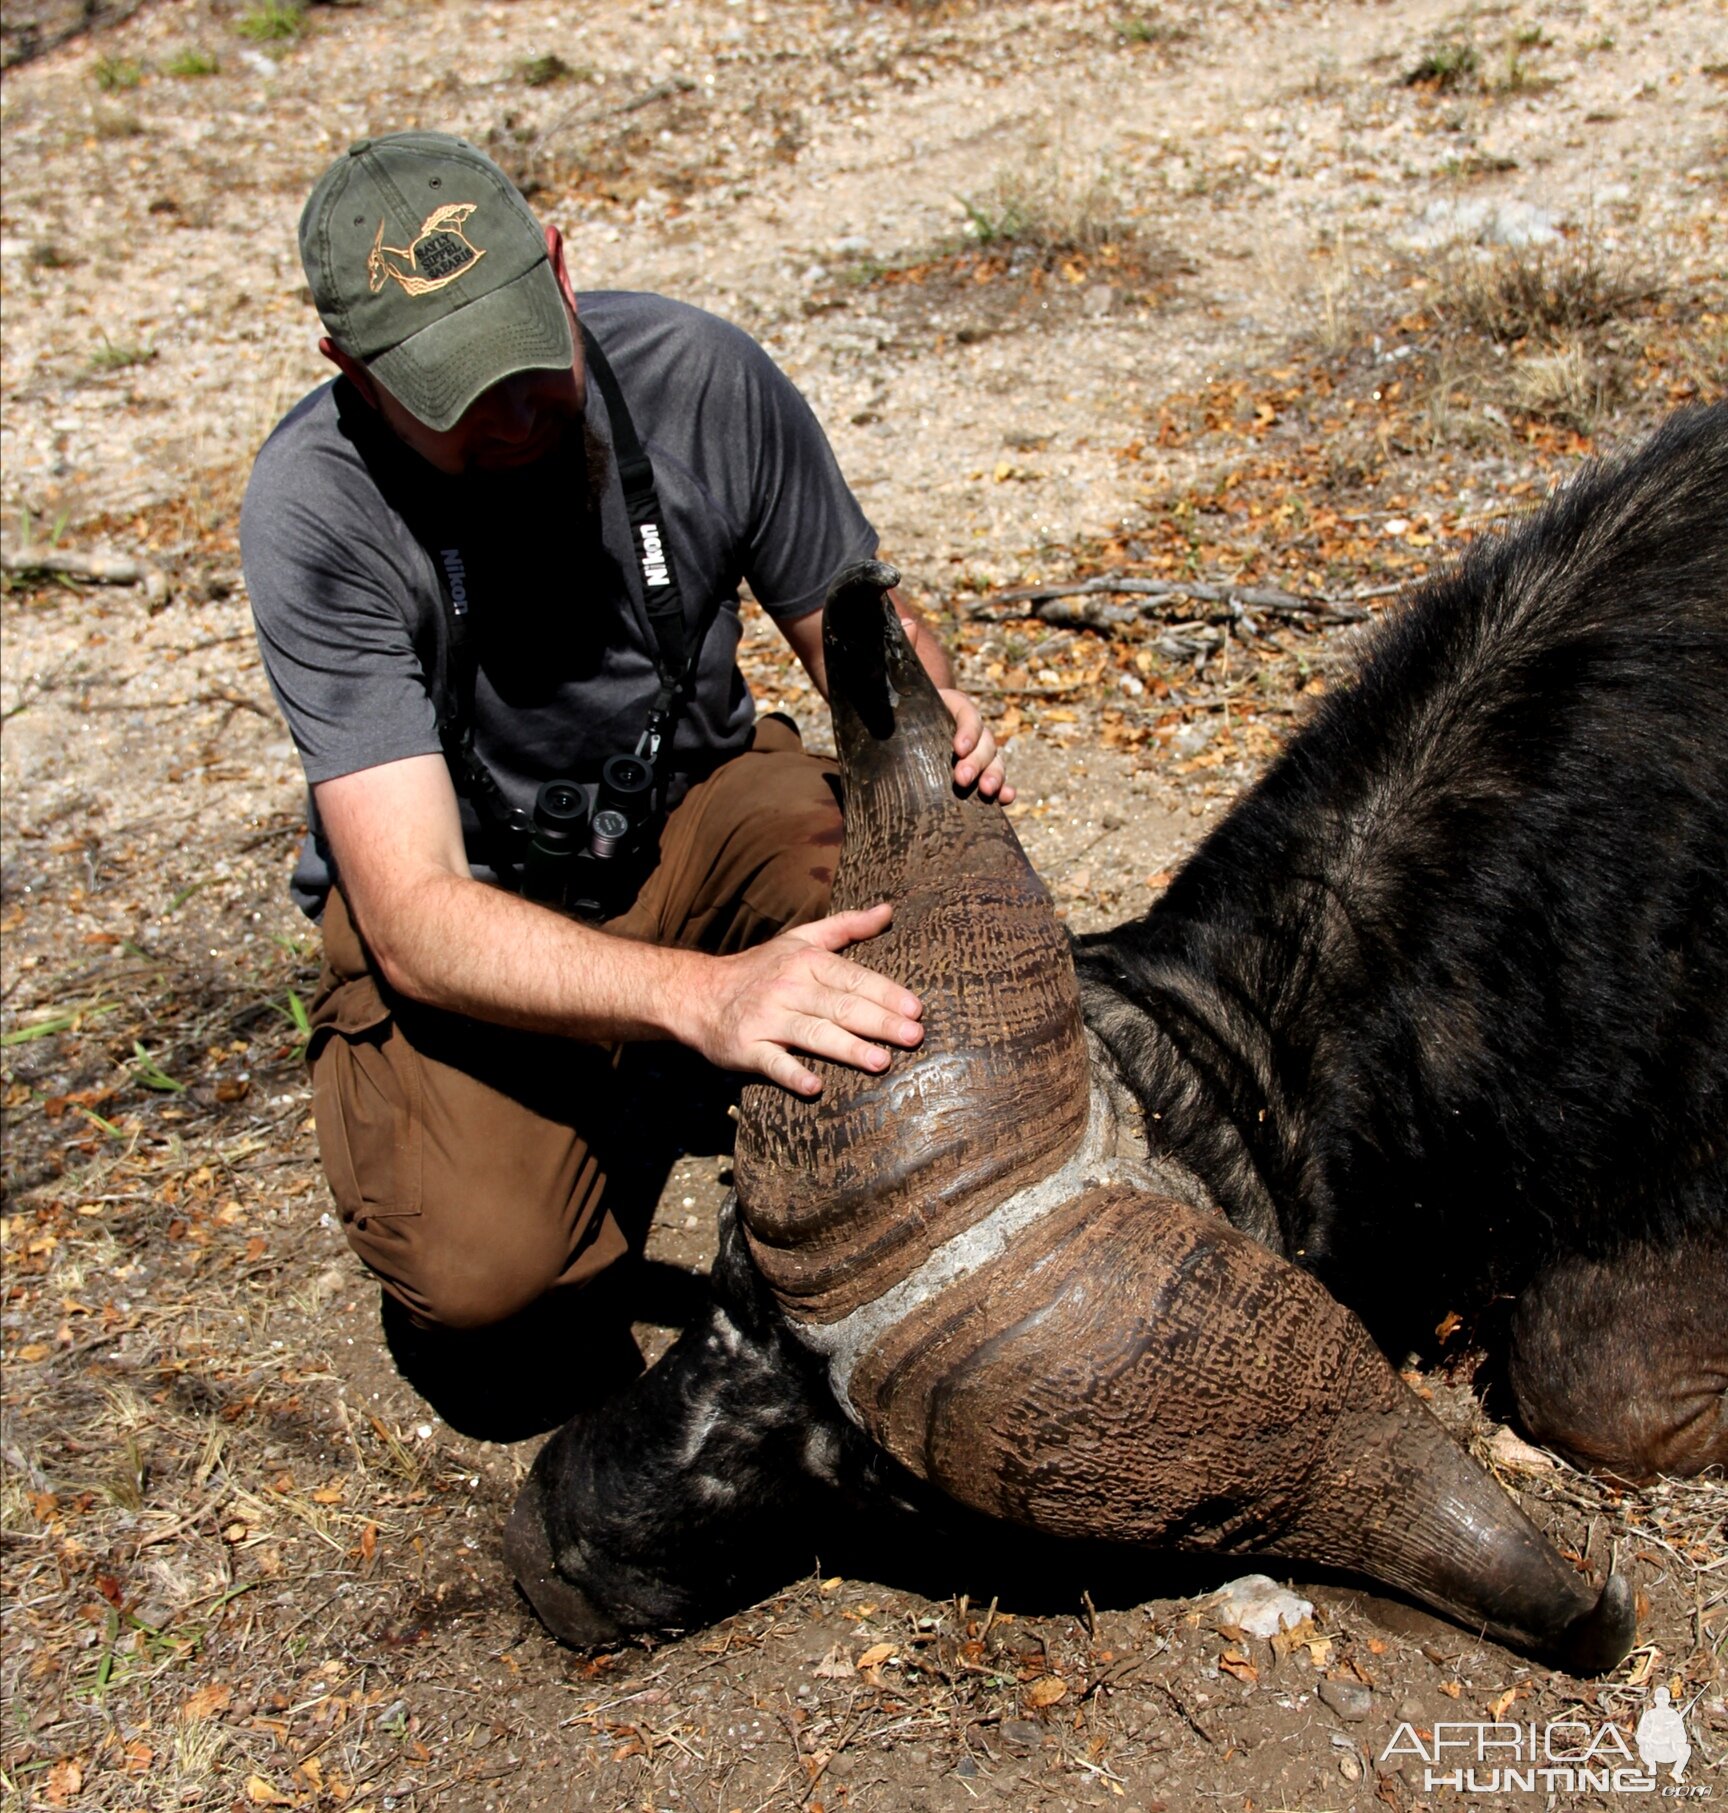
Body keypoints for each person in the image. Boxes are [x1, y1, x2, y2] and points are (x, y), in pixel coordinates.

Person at [240, 132, 1008, 1410]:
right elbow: (419, 917)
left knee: (909, 873)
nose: (511, 414)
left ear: (557, 264)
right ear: (352, 375)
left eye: (522, 359)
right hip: (484, 912)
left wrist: (929, 710)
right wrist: (700, 998)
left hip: (693, 812)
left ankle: (697, 1069)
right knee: (494, 1291)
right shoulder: (315, 508)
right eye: (452, 391)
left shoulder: (697, 373)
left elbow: (854, 637)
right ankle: (651, 1065)